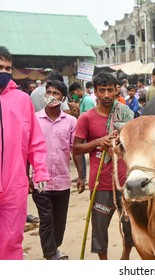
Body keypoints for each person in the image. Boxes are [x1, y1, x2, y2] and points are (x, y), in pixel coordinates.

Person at [73, 72, 134, 260]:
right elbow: (76, 148)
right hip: (101, 183)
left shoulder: (126, 114)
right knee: (99, 230)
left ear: (116, 90)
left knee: (131, 227)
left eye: (110, 90)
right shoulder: (86, 118)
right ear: (95, 92)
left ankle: (125, 257)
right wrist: (98, 142)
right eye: (102, 91)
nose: (106, 95)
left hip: (125, 183)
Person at [0, 46, 50, 260]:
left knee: (12, 238)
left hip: (13, 183)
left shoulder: (21, 100)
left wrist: (40, 171)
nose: (4, 72)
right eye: (0, 67)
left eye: (7, 68)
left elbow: (35, 141)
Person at [32, 80, 84, 260]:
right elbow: (26, 150)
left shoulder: (70, 121)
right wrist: (25, 175)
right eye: (49, 93)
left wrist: (81, 176)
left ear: (63, 97)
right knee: (46, 220)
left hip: (62, 180)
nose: (52, 97)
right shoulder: (34, 119)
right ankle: (51, 253)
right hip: (40, 181)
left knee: (60, 221)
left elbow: (75, 150)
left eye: (56, 94)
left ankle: (54, 248)